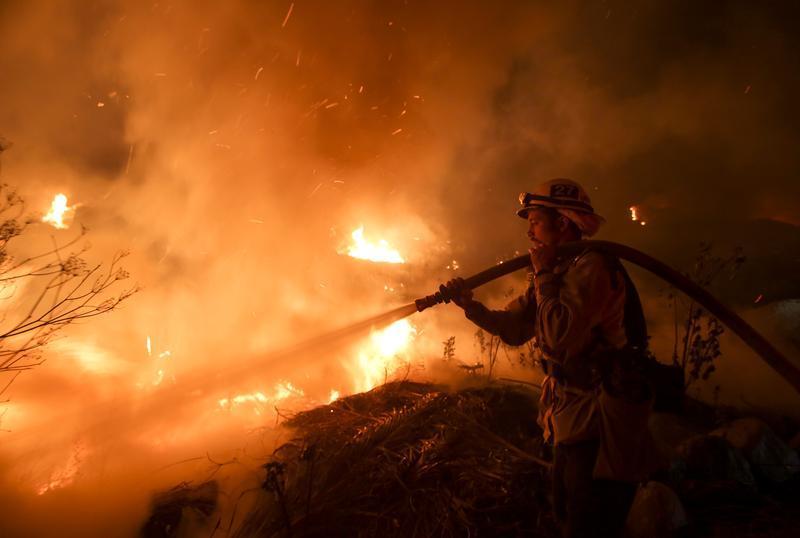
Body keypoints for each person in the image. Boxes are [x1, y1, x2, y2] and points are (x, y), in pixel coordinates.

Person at [445, 178, 659, 538]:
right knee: (563, 508)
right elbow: (515, 328)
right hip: (566, 412)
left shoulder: (592, 267)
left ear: (562, 223)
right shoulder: (562, 267)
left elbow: (560, 337)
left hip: (597, 415)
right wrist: (470, 305)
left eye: (535, 221)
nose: (529, 231)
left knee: (587, 517)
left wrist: (543, 274)